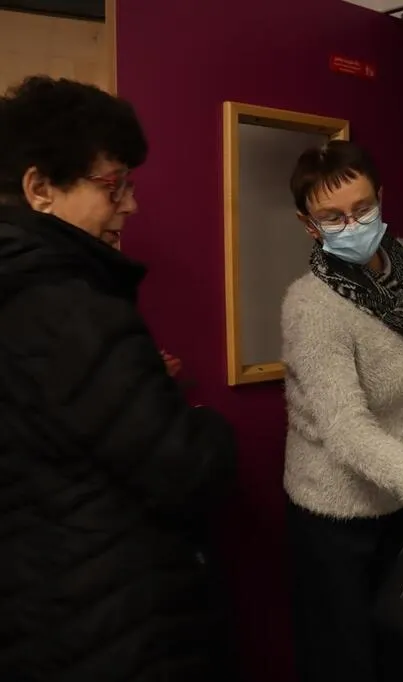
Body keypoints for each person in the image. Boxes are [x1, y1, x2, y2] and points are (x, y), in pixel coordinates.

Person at [0, 76, 238, 681]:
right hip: (110, 617)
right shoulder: (73, 308)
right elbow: (186, 468)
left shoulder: (21, 292)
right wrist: (207, 425)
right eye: (115, 185)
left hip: (37, 603)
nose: (130, 205)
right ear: (40, 189)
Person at [282, 139, 403, 682]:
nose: (353, 224)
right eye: (333, 217)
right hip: (338, 511)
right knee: (346, 661)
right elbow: (345, 427)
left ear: (381, 199)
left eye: (363, 208)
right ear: (309, 226)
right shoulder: (312, 308)